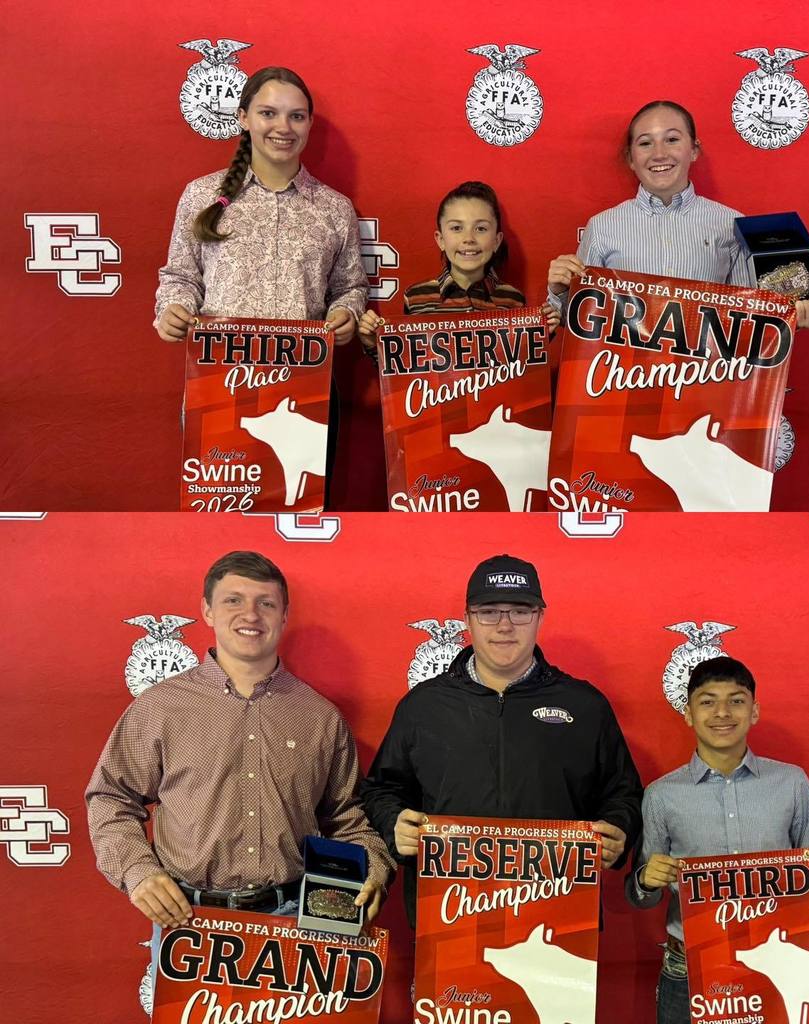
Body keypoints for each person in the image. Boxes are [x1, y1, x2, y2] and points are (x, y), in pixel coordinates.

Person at [86, 550, 393, 932]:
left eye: (266, 603)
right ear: (207, 610)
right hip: (188, 920)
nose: (250, 615)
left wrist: (375, 867)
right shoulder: (159, 708)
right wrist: (136, 868)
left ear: (283, 616)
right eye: (233, 600)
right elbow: (111, 797)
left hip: (297, 919)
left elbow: (347, 819)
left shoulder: (320, 717)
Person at [360, 553, 643, 924]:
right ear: (467, 619)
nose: (504, 625)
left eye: (520, 611)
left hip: (560, 916)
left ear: (540, 616)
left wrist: (618, 830)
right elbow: (382, 789)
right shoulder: (423, 705)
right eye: (489, 611)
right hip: (450, 914)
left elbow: (623, 792)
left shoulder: (584, 705)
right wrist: (395, 822)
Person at [153, 67, 368, 502]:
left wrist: (346, 313)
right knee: (217, 515)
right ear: (243, 117)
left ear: (309, 125)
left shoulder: (334, 209)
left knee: (299, 507)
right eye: (269, 113)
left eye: (297, 116)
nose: (283, 128)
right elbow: (179, 277)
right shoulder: (201, 196)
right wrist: (172, 309)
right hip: (218, 387)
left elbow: (350, 287)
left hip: (305, 392)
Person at [626, 656, 809, 1024]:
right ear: (689, 714)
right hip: (689, 963)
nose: (722, 712)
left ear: (754, 711)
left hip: (777, 959)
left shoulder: (791, 783)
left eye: (737, 700)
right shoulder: (662, 795)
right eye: (707, 701)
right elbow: (640, 896)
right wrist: (647, 880)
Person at [547, 100, 809, 330]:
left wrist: (794, 315)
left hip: (706, 385)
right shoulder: (603, 227)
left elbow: (752, 318)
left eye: (672, 139)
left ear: (694, 150)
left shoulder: (730, 224)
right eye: (645, 143)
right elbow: (578, 321)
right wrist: (559, 291)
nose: (659, 153)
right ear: (630, 159)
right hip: (624, 383)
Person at [358, 181, 558, 351]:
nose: (468, 238)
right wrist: (373, 343)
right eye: (456, 228)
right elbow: (404, 368)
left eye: (480, 228)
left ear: (497, 241)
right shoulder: (417, 297)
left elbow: (521, 365)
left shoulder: (512, 299)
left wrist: (542, 335)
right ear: (441, 239)